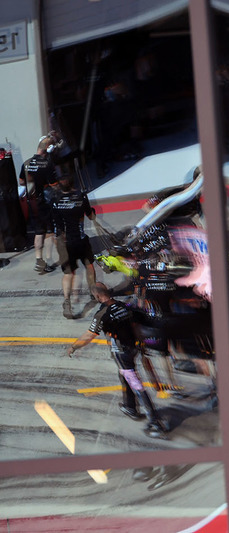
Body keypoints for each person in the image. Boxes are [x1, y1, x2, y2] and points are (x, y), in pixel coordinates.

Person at [66, 283, 169, 439]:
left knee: (136, 384)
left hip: (121, 352)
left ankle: (155, 422)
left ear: (97, 296)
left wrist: (73, 347)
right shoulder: (123, 305)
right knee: (125, 376)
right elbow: (136, 324)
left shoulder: (103, 314)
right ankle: (129, 407)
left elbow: (89, 335)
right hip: (134, 348)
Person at [51, 174, 97, 319]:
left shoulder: (54, 200)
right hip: (81, 240)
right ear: (72, 183)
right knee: (89, 266)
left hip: (64, 242)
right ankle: (93, 292)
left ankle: (67, 301)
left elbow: (54, 223)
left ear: (59, 184)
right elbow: (91, 216)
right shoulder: (81, 197)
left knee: (68, 274)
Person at [18, 135, 59, 273]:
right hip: (44, 202)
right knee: (48, 232)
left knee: (38, 231)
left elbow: (22, 182)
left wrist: (34, 180)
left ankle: (38, 260)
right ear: (49, 148)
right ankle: (47, 261)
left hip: (32, 202)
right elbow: (54, 184)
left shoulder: (27, 162)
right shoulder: (47, 164)